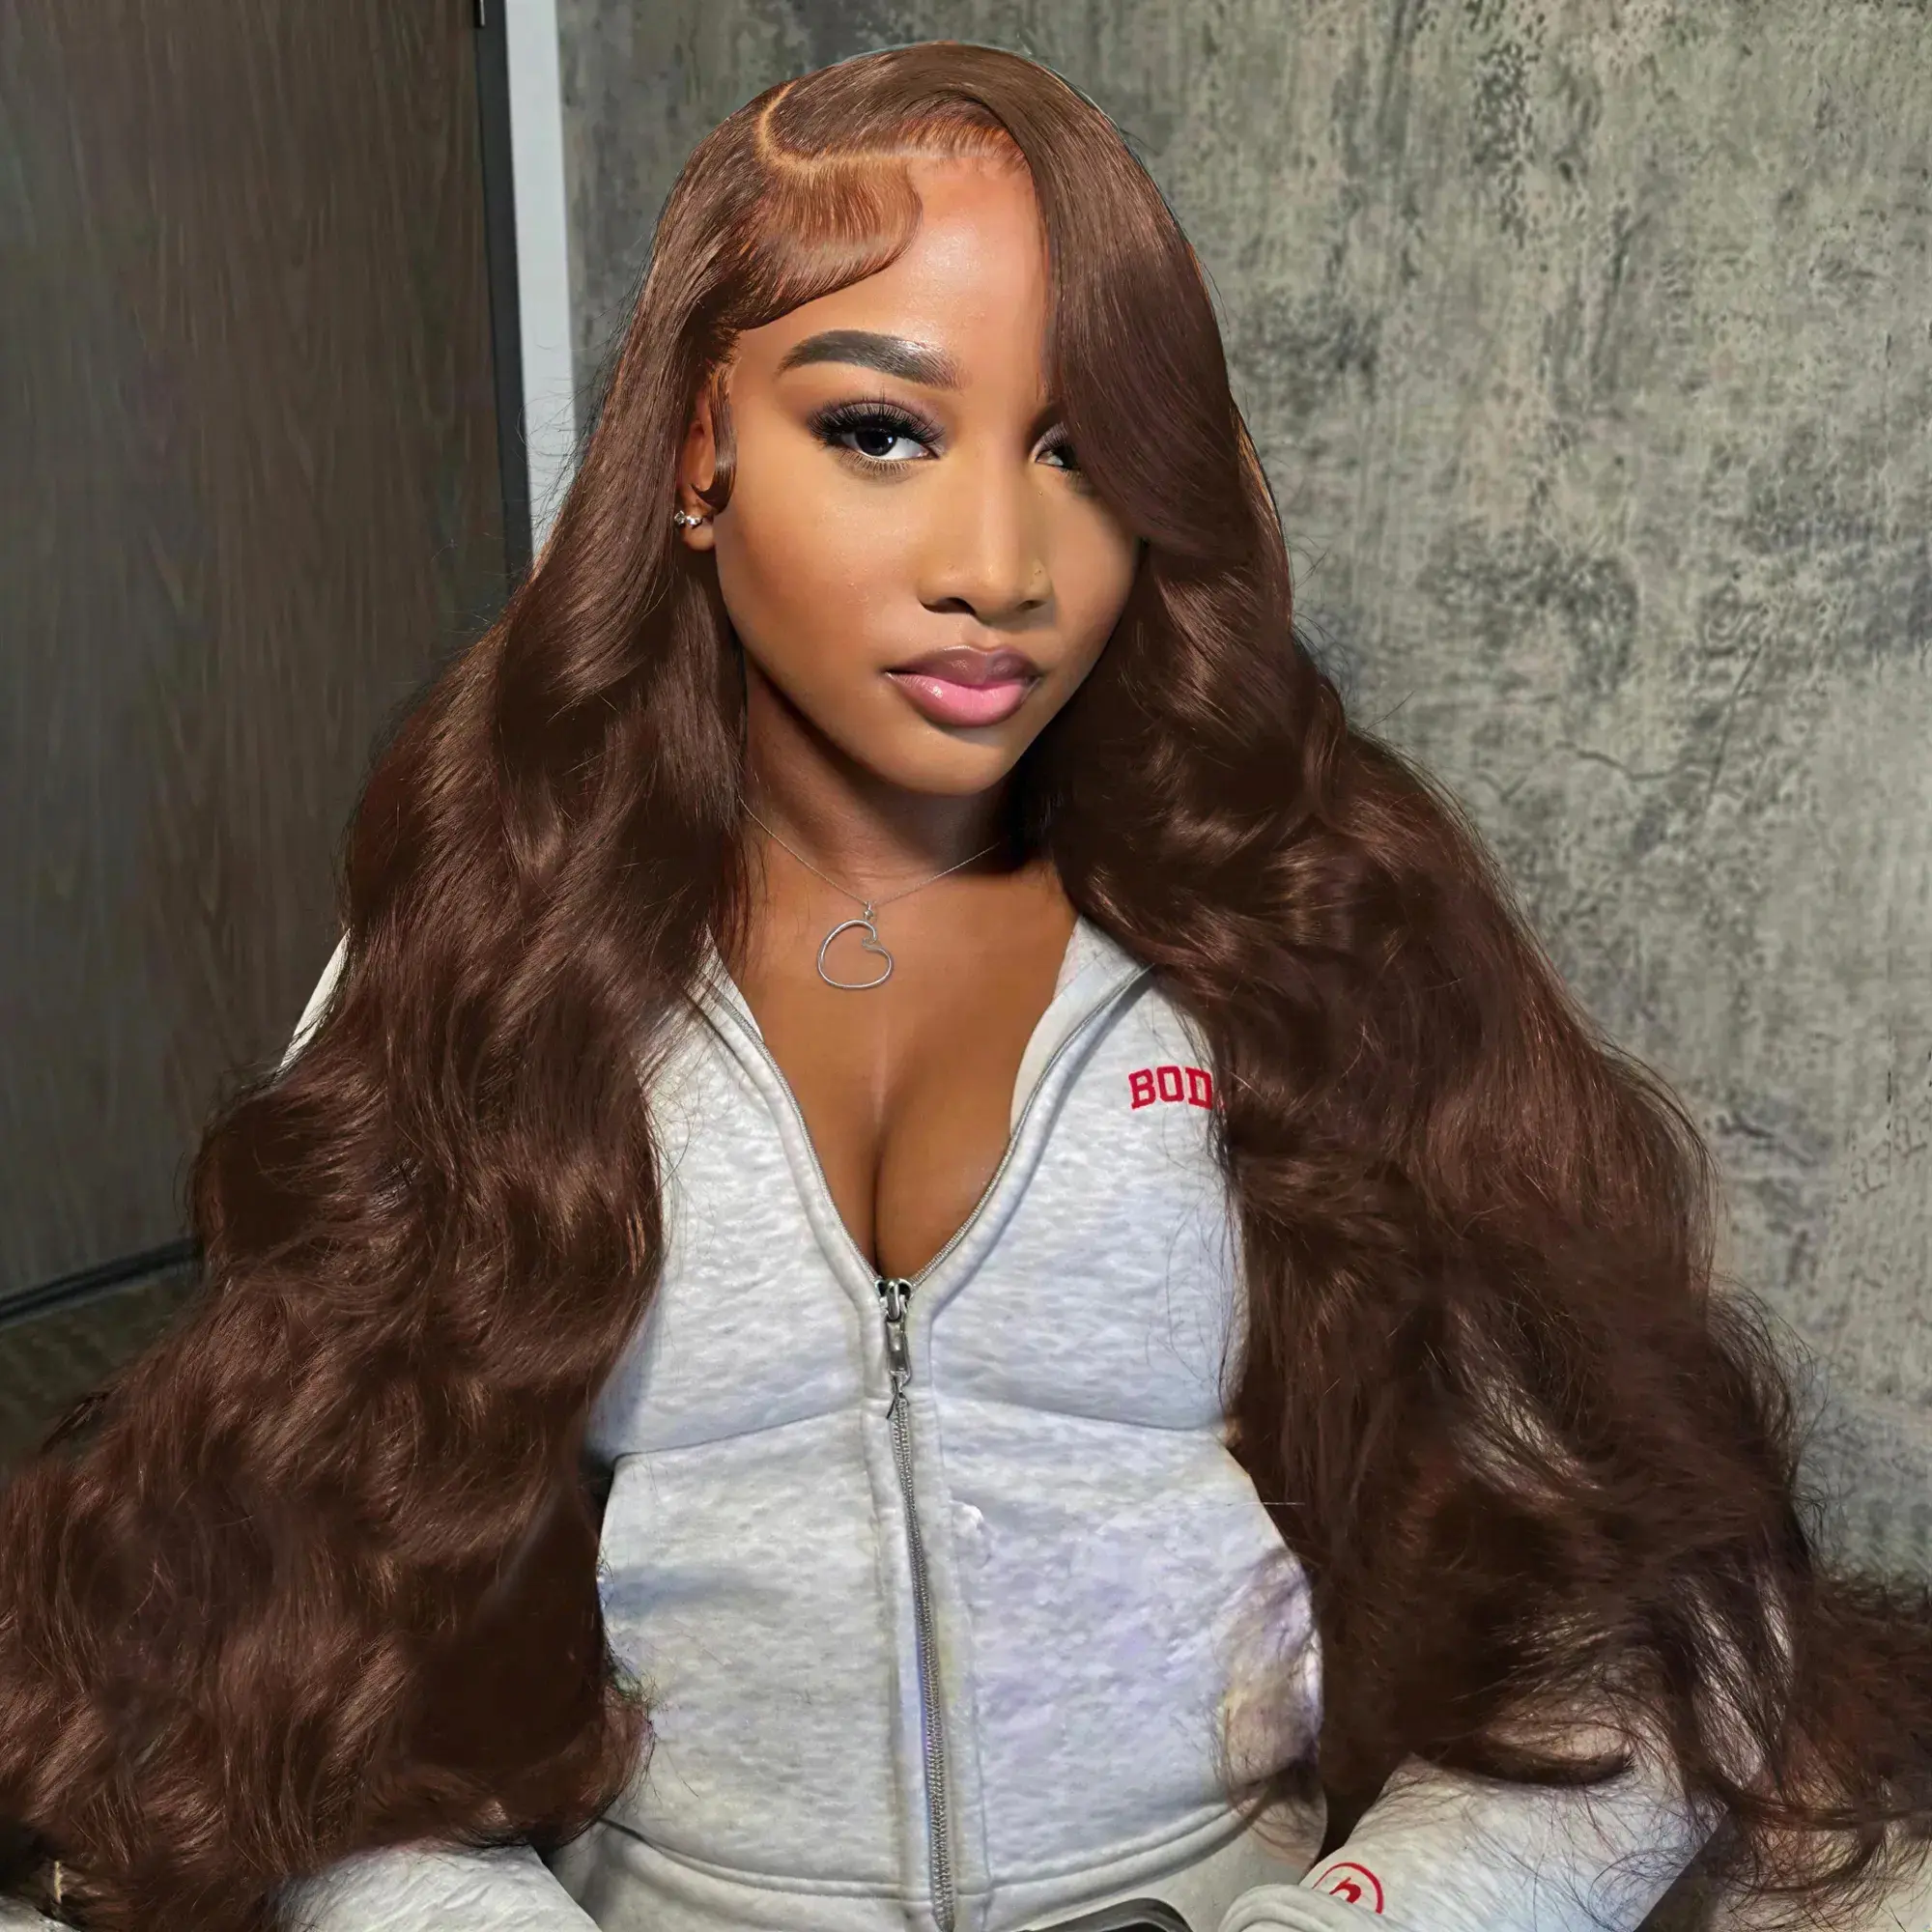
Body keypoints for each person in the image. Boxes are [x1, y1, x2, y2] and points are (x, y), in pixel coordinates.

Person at [1, 39, 1927, 1932]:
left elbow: (1659, 1603)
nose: (998, 564)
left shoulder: (1319, 928)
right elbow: (278, 1629)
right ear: (698, 451)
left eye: (1079, 452)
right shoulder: (490, 951)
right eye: (881, 431)